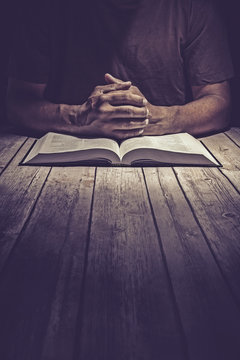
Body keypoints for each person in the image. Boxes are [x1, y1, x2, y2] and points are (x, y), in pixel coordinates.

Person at [7, 0, 233, 140]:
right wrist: (79, 117)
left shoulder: (192, 5)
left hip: (168, 162)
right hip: (64, 161)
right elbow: (17, 102)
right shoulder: (44, 6)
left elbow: (218, 101)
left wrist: (157, 118)